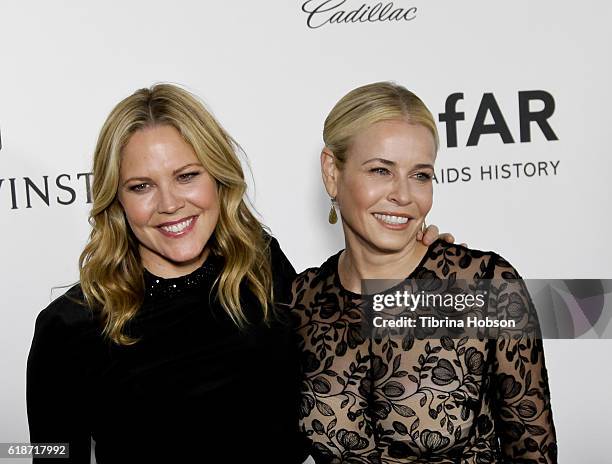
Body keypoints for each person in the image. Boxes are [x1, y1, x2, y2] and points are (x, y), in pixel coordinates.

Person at [26, 83, 450, 463]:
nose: (170, 203)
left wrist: (421, 277)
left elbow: (356, 346)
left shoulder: (260, 265)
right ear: (115, 199)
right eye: (142, 186)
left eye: (187, 176)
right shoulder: (69, 327)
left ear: (217, 177)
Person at [290, 82, 558, 463]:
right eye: (381, 170)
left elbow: (533, 453)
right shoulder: (300, 300)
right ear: (332, 171)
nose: (403, 196)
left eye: (420, 175)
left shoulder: (485, 285)